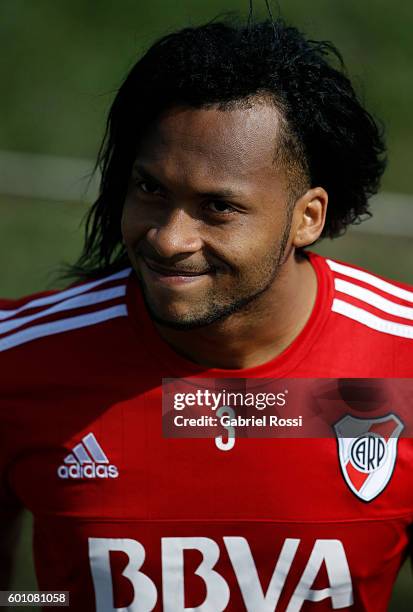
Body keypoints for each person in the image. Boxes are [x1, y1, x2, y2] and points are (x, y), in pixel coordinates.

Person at [1, 16, 412, 612]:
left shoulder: (399, 363)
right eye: (151, 190)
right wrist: (53, 601)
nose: (169, 239)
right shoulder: (20, 360)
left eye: (218, 207)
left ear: (308, 218)